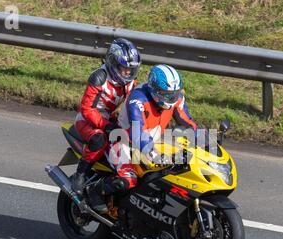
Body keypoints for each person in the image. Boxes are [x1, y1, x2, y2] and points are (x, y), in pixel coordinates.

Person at [85, 64, 198, 214]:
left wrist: (205, 140)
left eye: (174, 94)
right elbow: (137, 132)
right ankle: (94, 191)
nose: (172, 98)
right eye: (167, 94)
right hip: (123, 141)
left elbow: (187, 121)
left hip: (153, 141)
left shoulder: (176, 99)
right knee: (128, 178)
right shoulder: (137, 99)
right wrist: (153, 153)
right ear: (154, 89)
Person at [71, 38, 141, 195]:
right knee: (99, 139)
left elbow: (133, 103)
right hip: (87, 120)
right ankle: (81, 173)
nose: (128, 72)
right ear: (113, 63)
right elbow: (87, 108)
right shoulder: (99, 78)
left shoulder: (130, 82)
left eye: (131, 69)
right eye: (124, 68)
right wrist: (105, 125)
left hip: (109, 116)